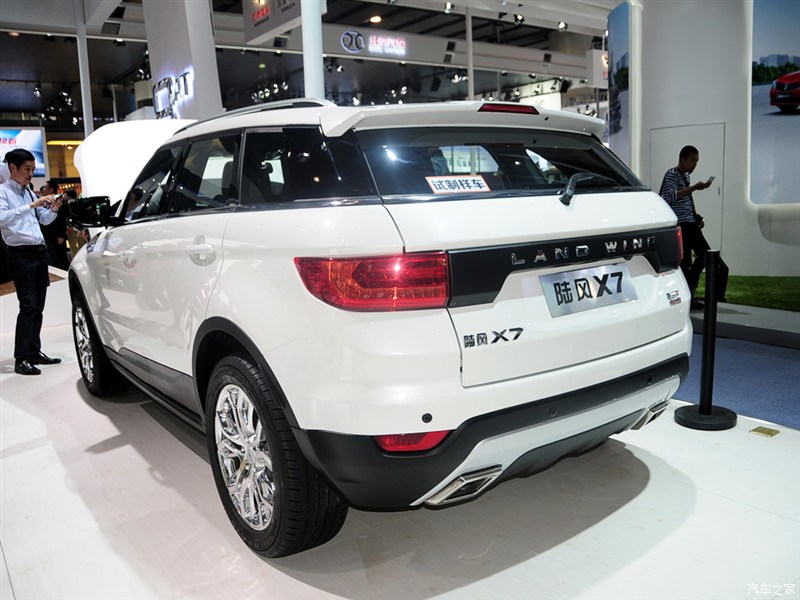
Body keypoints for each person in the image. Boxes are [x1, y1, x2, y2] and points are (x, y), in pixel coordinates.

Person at [0, 148, 64, 375]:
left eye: (32, 169)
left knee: (38, 306)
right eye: (27, 169)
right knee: (28, 306)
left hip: (39, 254)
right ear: (12, 168)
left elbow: (43, 220)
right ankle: (21, 358)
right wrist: (33, 205)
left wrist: (53, 208)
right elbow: (2, 218)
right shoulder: (3, 192)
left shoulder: (28, 192)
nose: (30, 174)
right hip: (21, 255)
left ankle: (34, 351)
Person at [659, 145, 729, 309]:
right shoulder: (671, 174)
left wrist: (696, 216)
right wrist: (695, 188)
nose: (694, 165)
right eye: (692, 161)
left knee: (705, 256)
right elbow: (669, 196)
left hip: (690, 224)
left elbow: (686, 199)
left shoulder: (686, 176)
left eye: (696, 161)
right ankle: (690, 294)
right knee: (689, 261)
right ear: (682, 159)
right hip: (681, 225)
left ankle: (692, 287)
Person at [40, 179, 70, 270]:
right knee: (53, 257)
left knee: (60, 257)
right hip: (49, 234)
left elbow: (62, 219)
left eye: (46, 187)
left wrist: (61, 235)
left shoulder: (59, 201)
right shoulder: (46, 201)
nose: (44, 189)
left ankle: (66, 273)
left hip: (57, 234)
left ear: (51, 189)